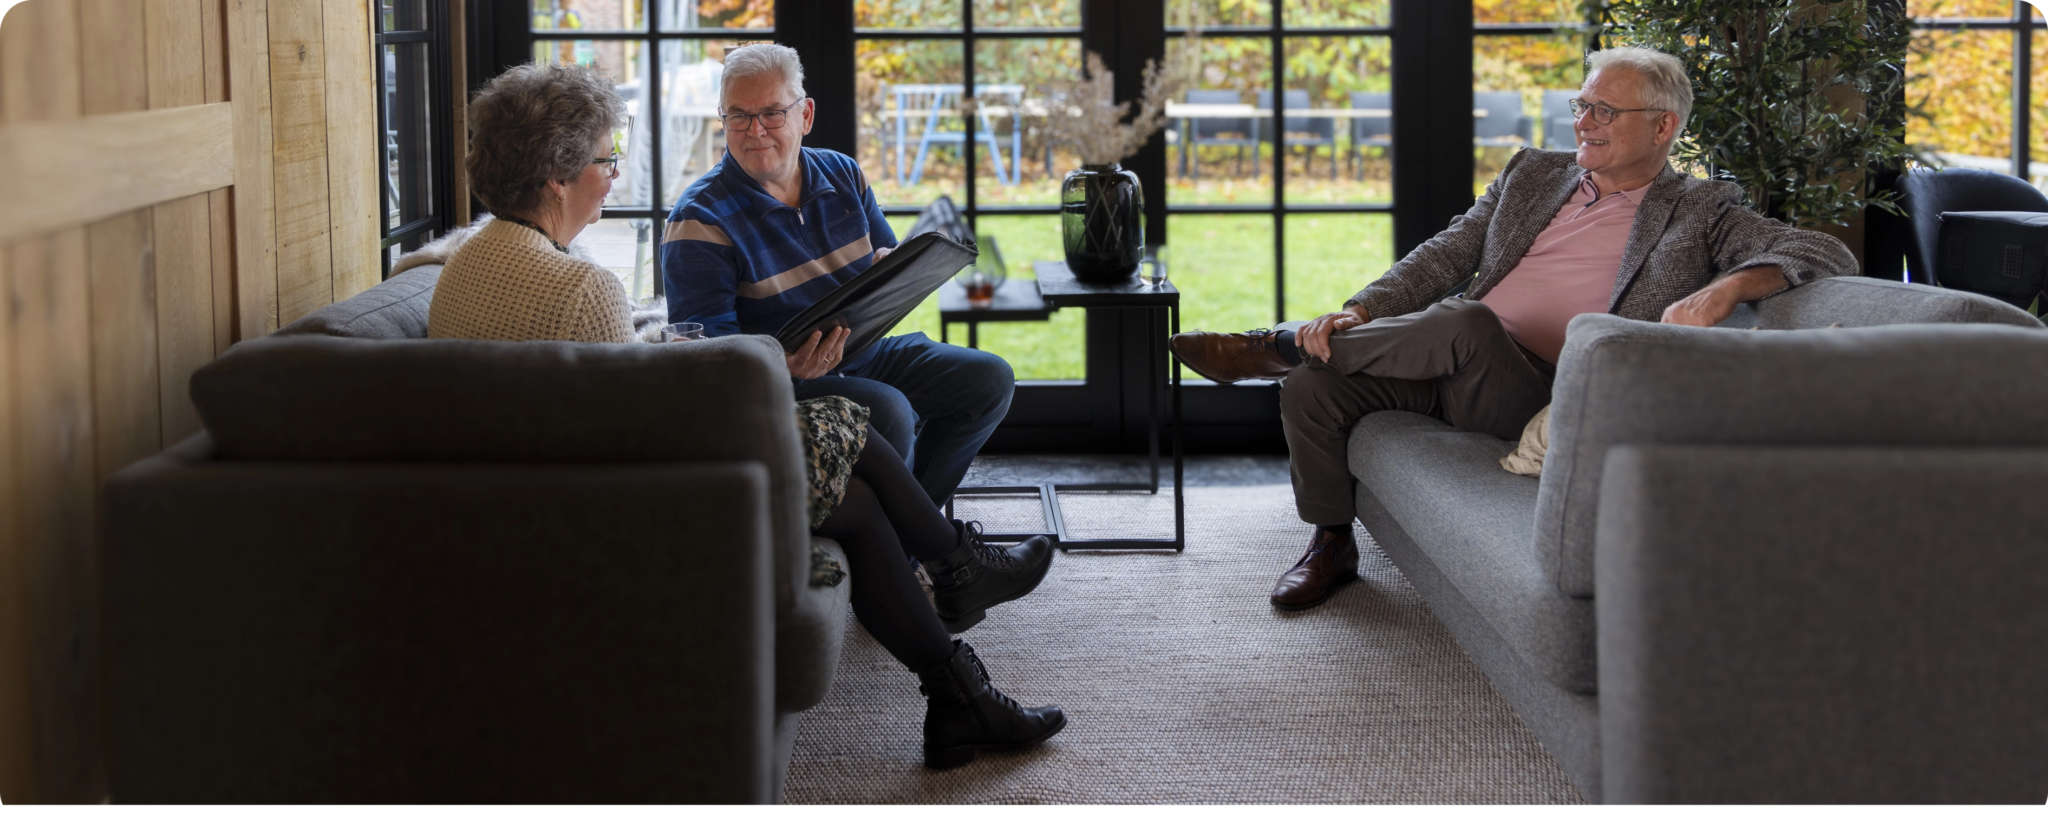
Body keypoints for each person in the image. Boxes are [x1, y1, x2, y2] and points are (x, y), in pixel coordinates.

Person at [430, 62, 1065, 768]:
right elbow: (643, 425)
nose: (613, 175)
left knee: (857, 474)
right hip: (634, 505)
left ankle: (957, 686)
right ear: (557, 176)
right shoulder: (581, 286)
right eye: (606, 160)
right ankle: (959, 601)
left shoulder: (469, 261)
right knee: (856, 437)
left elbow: (598, 393)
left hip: (560, 490)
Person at [1169, 46, 1858, 611]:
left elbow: (1822, 252)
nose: (1585, 121)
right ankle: (1330, 542)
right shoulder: (1534, 174)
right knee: (1314, 391)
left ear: (1663, 127)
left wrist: (1725, 290)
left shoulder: (1702, 208)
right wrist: (1360, 311)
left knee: (1466, 319)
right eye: (1581, 105)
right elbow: (1449, 250)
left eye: (1605, 110)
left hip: (1532, 389)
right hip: (1446, 361)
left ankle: (1279, 347)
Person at [662, 44, 1014, 507]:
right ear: (722, 119)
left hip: (861, 351)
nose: (755, 131)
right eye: (738, 116)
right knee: (889, 410)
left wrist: (903, 267)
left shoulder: (844, 174)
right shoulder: (699, 219)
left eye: (771, 113)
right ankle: (920, 554)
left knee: (989, 380)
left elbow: (882, 263)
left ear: (805, 115)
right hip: (782, 380)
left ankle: (912, 541)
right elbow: (710, 358)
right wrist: (782, 366)